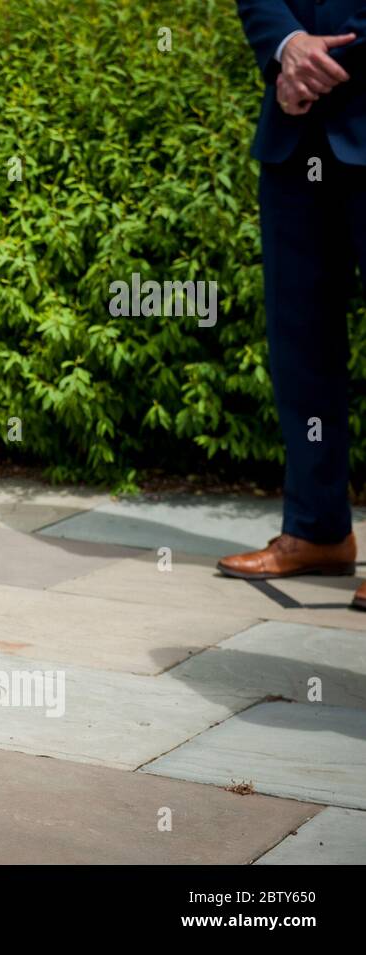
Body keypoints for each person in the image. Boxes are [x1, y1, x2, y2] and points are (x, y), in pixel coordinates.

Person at [224, 2, 366, 608]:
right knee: (298, 344)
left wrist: (322, 57)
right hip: (293, 129)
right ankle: (317, 528)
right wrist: (286, 45)